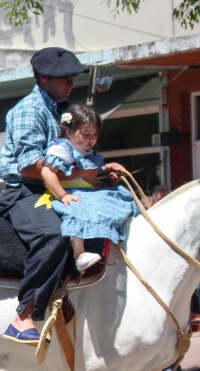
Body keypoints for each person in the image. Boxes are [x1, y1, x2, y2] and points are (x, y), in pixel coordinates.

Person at [0, 48, 121, 345]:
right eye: (64, 78)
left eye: (72, 77)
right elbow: (29, 167)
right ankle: (23, 315)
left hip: (61, 190)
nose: (70, 83)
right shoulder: (30, 110)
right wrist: (85, 174)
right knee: (53, 235)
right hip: (24, 193)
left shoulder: (62, 111)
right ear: (43, 77)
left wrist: (100, 173)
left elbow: (72, 159)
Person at [40, 104, 137, 272]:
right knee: (79, 209)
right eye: (86, 134)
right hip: (72, 193)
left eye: (94, 135)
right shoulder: (62, 149)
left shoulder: (88, 153)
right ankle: (79, 254)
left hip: (90, 192)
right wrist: (62, 196)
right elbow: (47, 171)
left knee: (122, 198)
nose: (91, 139)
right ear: (69, 132)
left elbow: (91, 174)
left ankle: (125, 242)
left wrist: (107, 171)